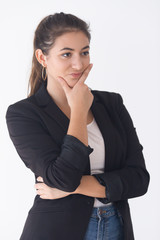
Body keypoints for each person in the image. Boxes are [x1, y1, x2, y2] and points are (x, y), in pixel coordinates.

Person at [6, 12, 150, 240]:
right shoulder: (23, 114)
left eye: (84, 52)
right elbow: (63, 177)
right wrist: (79, 111)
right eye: (66, 54)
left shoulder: (112, 103)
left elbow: (140, 180)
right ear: (42, 58)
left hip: (116, 227)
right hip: (56, 231)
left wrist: (74, 186)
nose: (79, 64)